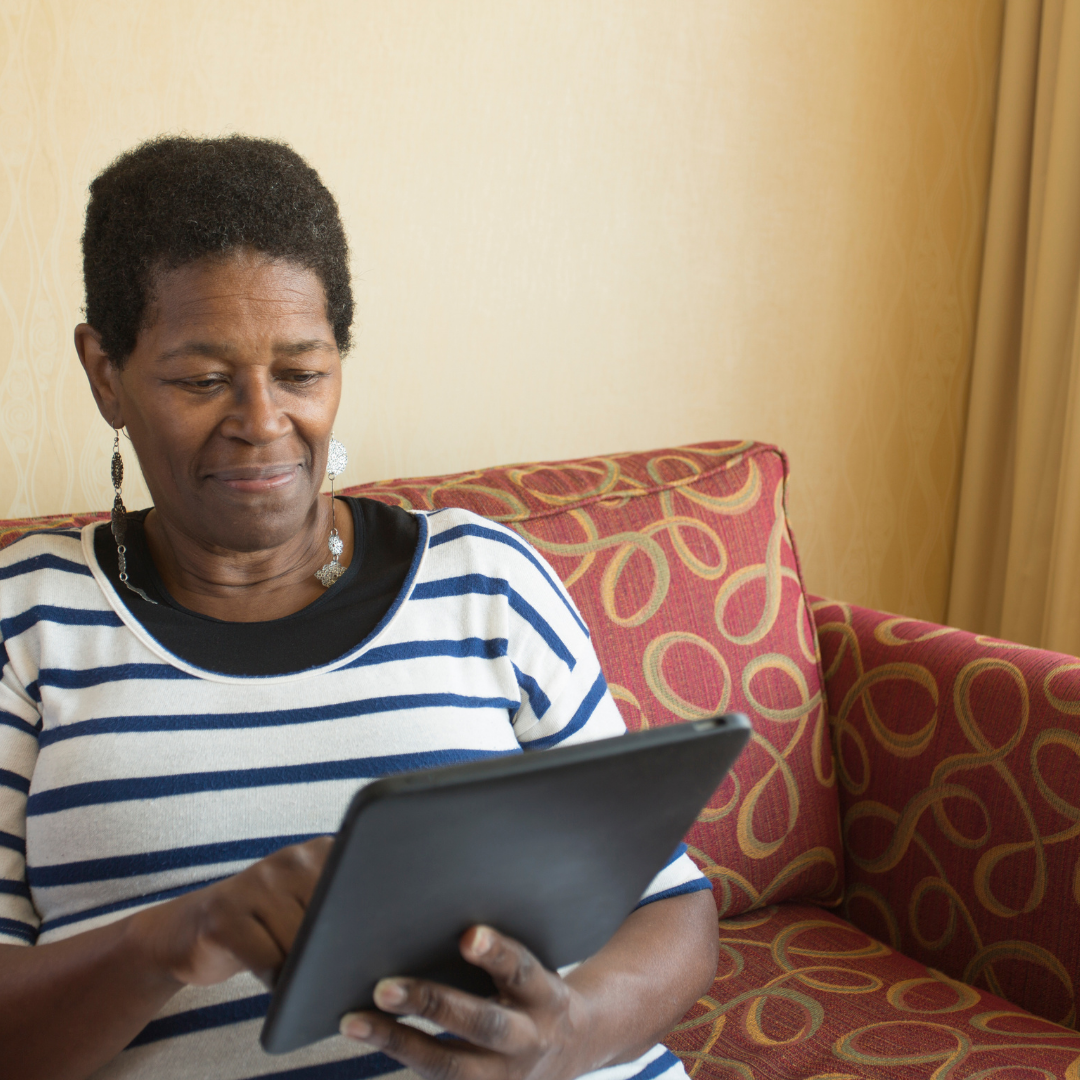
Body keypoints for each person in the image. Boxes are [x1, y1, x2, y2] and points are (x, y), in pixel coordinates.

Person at [0, 136, 719, 1080]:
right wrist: (170, 941)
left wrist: (568, 1035)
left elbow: (673, 905)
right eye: (202, 379)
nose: (263, 421)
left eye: (301, 372)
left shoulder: (485, 581)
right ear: (105, 374)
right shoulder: (28, 626)